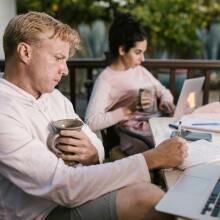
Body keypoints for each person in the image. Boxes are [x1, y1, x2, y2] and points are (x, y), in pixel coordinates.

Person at [0, 11, 188, 220]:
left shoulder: (54, 97)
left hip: (78, 186)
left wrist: (91, 153)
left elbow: (94, 142)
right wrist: (151, 159)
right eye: (58, 58)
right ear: (25, 53)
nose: (65, 71)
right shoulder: (5, 111)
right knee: (148, 198)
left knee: (146, 188)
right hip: (43, 212)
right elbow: (63, 185)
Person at [85, 13, 175, 155]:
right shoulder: (106, 80)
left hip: (157, 124)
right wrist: (128, 109)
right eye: (138, 52)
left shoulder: (139, 70)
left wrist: (166, 100)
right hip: (138, 138)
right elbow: (91, 121)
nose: (143, 59)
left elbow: (162, 90)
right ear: (122, 50)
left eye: (143, 53)